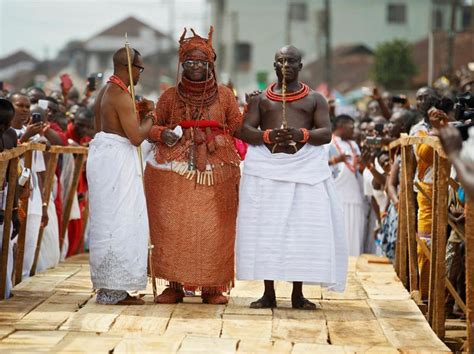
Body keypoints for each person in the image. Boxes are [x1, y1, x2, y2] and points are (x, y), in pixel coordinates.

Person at [236, 45, 347, 310]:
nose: (285, 66)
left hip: (304, 170)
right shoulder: (261, 99)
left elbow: (326, 133)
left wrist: (301, 135)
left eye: (291, 61)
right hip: (267, 170)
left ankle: (298, 293)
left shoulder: (316, 99)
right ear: (274, 66)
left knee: (301, 232)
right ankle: (268, 293)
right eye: (280, 61)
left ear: (300, 65)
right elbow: (245, 131)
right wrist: (268, 136)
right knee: (267, 231)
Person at [145, 27, 242, 305]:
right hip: (175, 169)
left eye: (202, 62)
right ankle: (173, 284)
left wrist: (256, 115)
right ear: (182, 65)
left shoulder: (224, 95)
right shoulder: (169, 97)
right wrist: (162, 134)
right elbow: (153, 126)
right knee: (173, 225)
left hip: (217, 168)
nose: (196, 67)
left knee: (215, 225)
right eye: (190, 62)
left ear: (210, 65)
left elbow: (236, 126)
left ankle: (213, 287)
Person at [87, 47, 154, 305]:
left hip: (105, 160)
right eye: (140, 68)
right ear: (129, 66)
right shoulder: (119, 94)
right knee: (123, 221)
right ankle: (115, 289)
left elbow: (99, 130)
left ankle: (111, 288)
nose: (141, 73)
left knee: (109, 222)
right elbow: (136, 137)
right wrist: (152, 116)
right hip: (116, 165)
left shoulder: (104, 90)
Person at [328, 114, 365, 256]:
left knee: (354, 233)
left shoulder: (353, 145)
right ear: (341, 126)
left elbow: (358, 169)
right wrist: (336, 160)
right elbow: (319, 166)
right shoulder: (328, 143)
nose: (354, 130)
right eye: (351, 126)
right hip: (337, 195)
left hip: (354, 195)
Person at [0, 98, 19, 298]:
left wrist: (14, 211)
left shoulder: (10, 136)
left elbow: (12, 176)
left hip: (5, 199)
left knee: (5, 257)